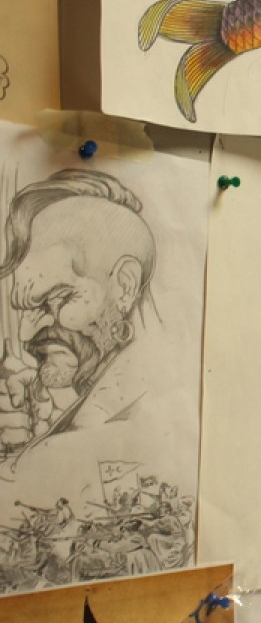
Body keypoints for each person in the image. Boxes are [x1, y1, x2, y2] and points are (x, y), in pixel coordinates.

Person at [0, 170, 156, 459]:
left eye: (60, 297)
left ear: (125, 287)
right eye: (29, 307)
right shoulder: (92, 401)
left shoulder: (151, 409)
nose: (31, 330)